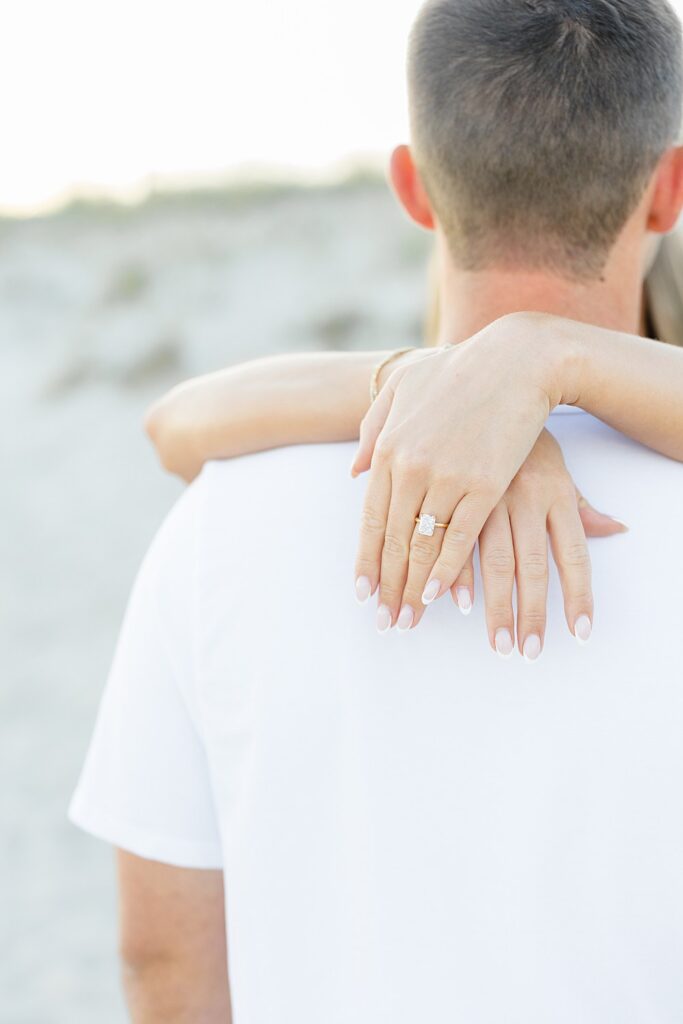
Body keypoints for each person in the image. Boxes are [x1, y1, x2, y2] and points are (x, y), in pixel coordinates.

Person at [70, 1, 683, 1021]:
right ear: (667, 189)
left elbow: (167, 964)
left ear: (412, 186)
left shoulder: (219, 522)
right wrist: (536, 363)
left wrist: (521, 363)